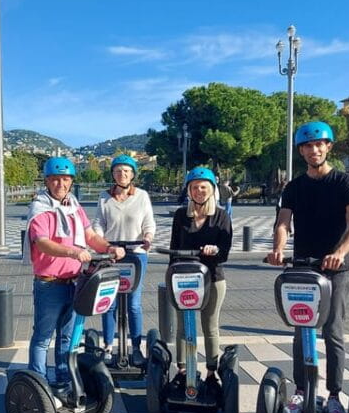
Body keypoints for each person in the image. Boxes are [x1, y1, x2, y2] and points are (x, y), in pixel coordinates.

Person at [267, 121, 349, 413]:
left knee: (333, 331)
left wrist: (340, 253)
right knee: (301, 329)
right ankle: (301, 389)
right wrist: (278, 249)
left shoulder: (345, 182)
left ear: (328, 147)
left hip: (335, 269)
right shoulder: (294, 187)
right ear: (301, 151)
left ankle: (334, 396)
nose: (314, 150)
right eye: (308, 146)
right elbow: (283, 223)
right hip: (302, 267)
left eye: (319, 145)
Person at [23, 157, 125, 391]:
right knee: (43, 336)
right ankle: (38, 384)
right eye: (55, 179)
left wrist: (108, 248)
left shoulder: (73, 206)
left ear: (71, 182)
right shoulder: (40, 208)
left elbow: (90, 236)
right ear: (47, 181)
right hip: (49, 284)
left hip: (75, 282)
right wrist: (72, 252)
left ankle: (63, 378)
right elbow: (42, 243)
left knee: (68, 336)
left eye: (65, 179)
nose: (61, 184)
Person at [169, 166, 233, 381]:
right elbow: (173, 248)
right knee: (183, 325)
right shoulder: (181, 215)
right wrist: (171, 276)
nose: (199, 191)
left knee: (210, 325)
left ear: (212, 189)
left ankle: (211, 370)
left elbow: (224, 251)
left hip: (213, 278)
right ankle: (183, 369)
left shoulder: (221, 216)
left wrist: (214, 250)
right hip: (184, 278)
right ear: (189, 190)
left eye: (203, 187)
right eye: (194, 187)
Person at [92, 154, 156, 365]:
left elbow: (148, 222)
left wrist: (147, 238)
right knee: (109, 302)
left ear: (132, 175)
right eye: (118, 171)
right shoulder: (104, 197)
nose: (122, 174)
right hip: (112, 254)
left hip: (136, 254)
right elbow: (99, 223)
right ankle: (109, 345)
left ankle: (136, 346)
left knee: (134, 304)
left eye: (126, 171)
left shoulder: (142, 196)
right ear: (113, 174)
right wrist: (101, 242)